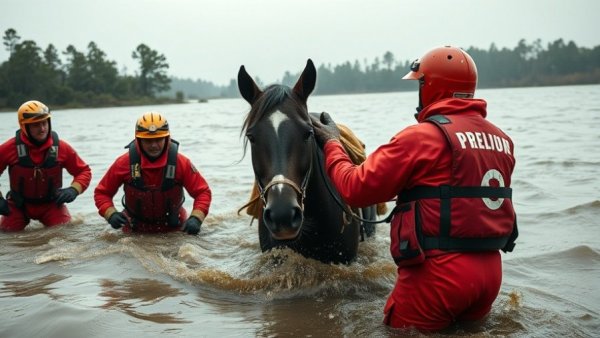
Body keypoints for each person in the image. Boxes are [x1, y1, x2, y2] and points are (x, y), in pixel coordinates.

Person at [311, 46, 518, 331]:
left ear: (431, 87)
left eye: (419, 84)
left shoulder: (421, 138)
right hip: (490, 275)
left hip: (438, 278)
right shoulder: (502, 141)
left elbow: (355, 189)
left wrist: (333, 143)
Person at [94, 112, 211, 234]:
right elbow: (102, 193)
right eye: (148, 141)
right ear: (138, 140)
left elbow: (202, 192)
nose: (154, 145)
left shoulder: (181, 163)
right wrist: (110, 213)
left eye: (159, 139)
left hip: (175, 230)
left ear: (167, 138)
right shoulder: (123, 163)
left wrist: (196, 218)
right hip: (134, 231)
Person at [0, 100, 92, 231]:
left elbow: (84, 171)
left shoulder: (62, 147)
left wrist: (74, 190)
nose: (42, 128)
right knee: (7, 236)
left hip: (52, 205)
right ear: (24, 126)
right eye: (36, 125)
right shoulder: (9, 148)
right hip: (18, 204)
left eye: (44, 123)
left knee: (64, 235)